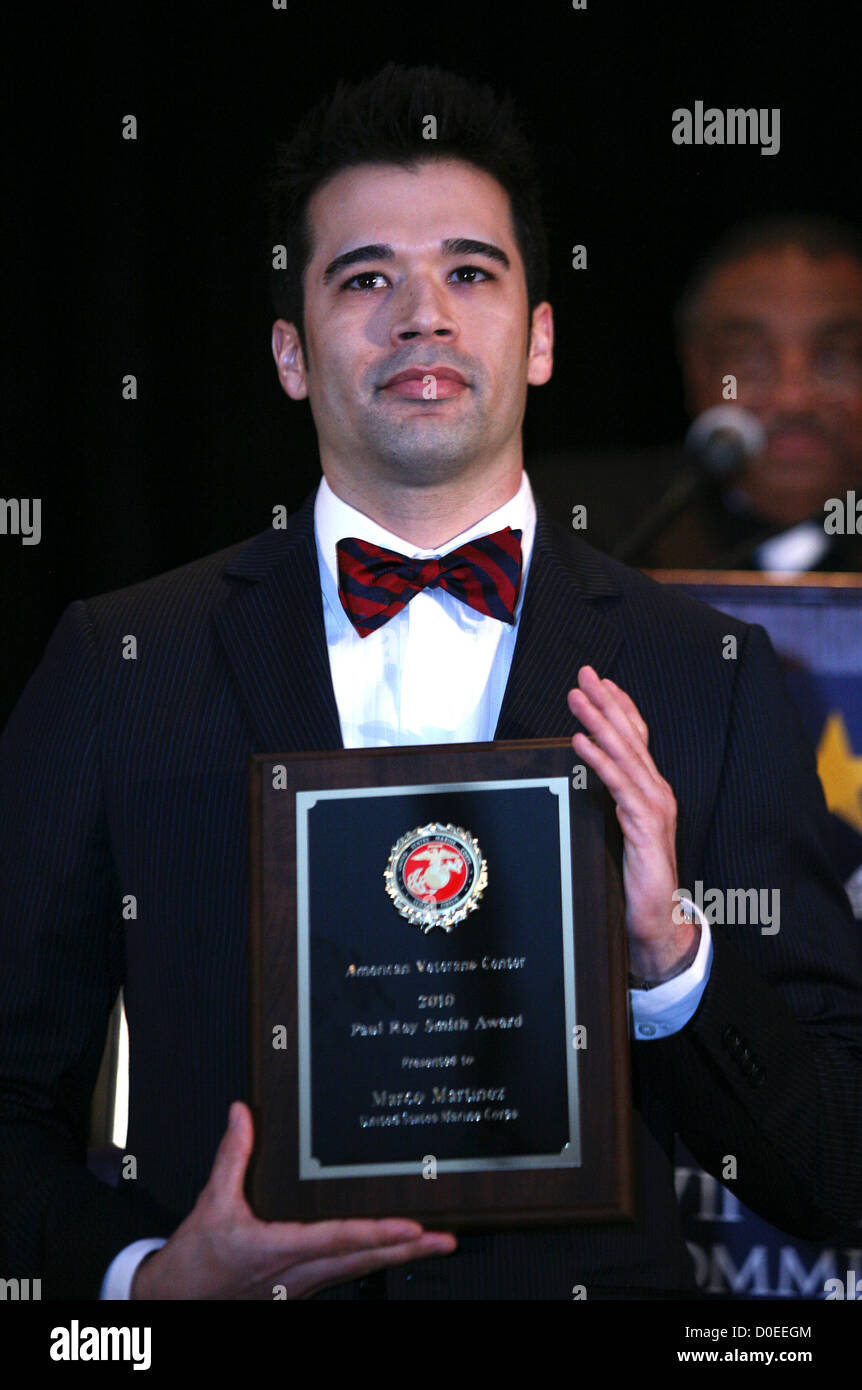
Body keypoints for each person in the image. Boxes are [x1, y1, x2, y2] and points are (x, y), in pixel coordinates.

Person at [1, 63, 861, 1302]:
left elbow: (831, 1166)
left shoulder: (708, 671)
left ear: (542, 335)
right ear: (291, 355)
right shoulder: (120, 663)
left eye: (470, 272)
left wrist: (670, 959)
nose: (422, 316)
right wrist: (143, 1279)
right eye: (365, 279)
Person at [537, 215, 862, 570]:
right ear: (696, 369)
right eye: (751, 359)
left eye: (835, 358)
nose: (793, 399)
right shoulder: (567, 524)